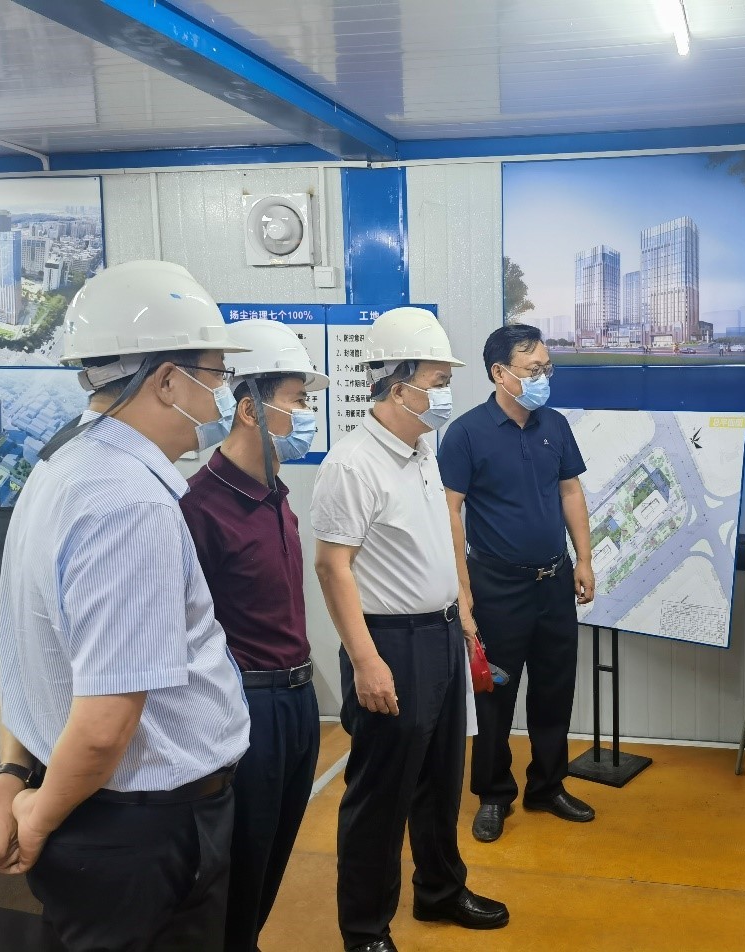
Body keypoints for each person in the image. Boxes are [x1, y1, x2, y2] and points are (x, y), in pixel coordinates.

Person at [0, 260, 252, 949]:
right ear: (167, 381)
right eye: (214, 374)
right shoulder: (128, 504)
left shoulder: (62, 467)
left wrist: (15, 774)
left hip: (96, 813)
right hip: (140, 831)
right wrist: (38, 814)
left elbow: (28, 656)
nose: (220, 397)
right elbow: (105, 722)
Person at [311, 307, 508, 952]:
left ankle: (441, 890)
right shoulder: (353, 463)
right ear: (398, 387)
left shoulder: (422, 450)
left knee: (441, 781)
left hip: (442, 634)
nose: (446, 393)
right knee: (380, 793)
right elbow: (332, 566)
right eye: (437, 380)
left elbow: (443, 538)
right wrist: (366, 661)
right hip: (390, 643)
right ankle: (365, 930)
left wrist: (464, 616)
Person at [179, 318, 329, 951]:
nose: (306, 416)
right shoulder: (198, 507)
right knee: (238, 865)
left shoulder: (276, 495)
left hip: (297, 699)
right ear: (249, 410)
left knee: (272, 855)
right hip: (245, 707)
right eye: (296, 401)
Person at [438, 323, 596, 844]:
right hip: (496, 588)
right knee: (495, 695)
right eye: (533, 369)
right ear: (499, 373)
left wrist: (584, 559)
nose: (543, 377)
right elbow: (451, 512)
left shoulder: (555, 425)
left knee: (554, 689)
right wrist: (463, 590)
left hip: (554, 581)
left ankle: (548, 786)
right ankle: (493, 794)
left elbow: (570, 492)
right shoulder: (466, 434)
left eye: (547, 368)